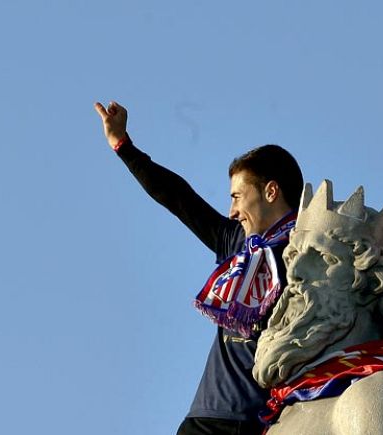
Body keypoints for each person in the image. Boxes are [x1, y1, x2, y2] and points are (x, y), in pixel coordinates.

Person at [94, 101, 303, 435]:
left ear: (271, 191)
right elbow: (180, 199)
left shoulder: (307, 255)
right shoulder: (238, 244)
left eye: (237, 196)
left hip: (260, 423)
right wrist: (124, 147)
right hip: (206, 418)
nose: (232, 210)